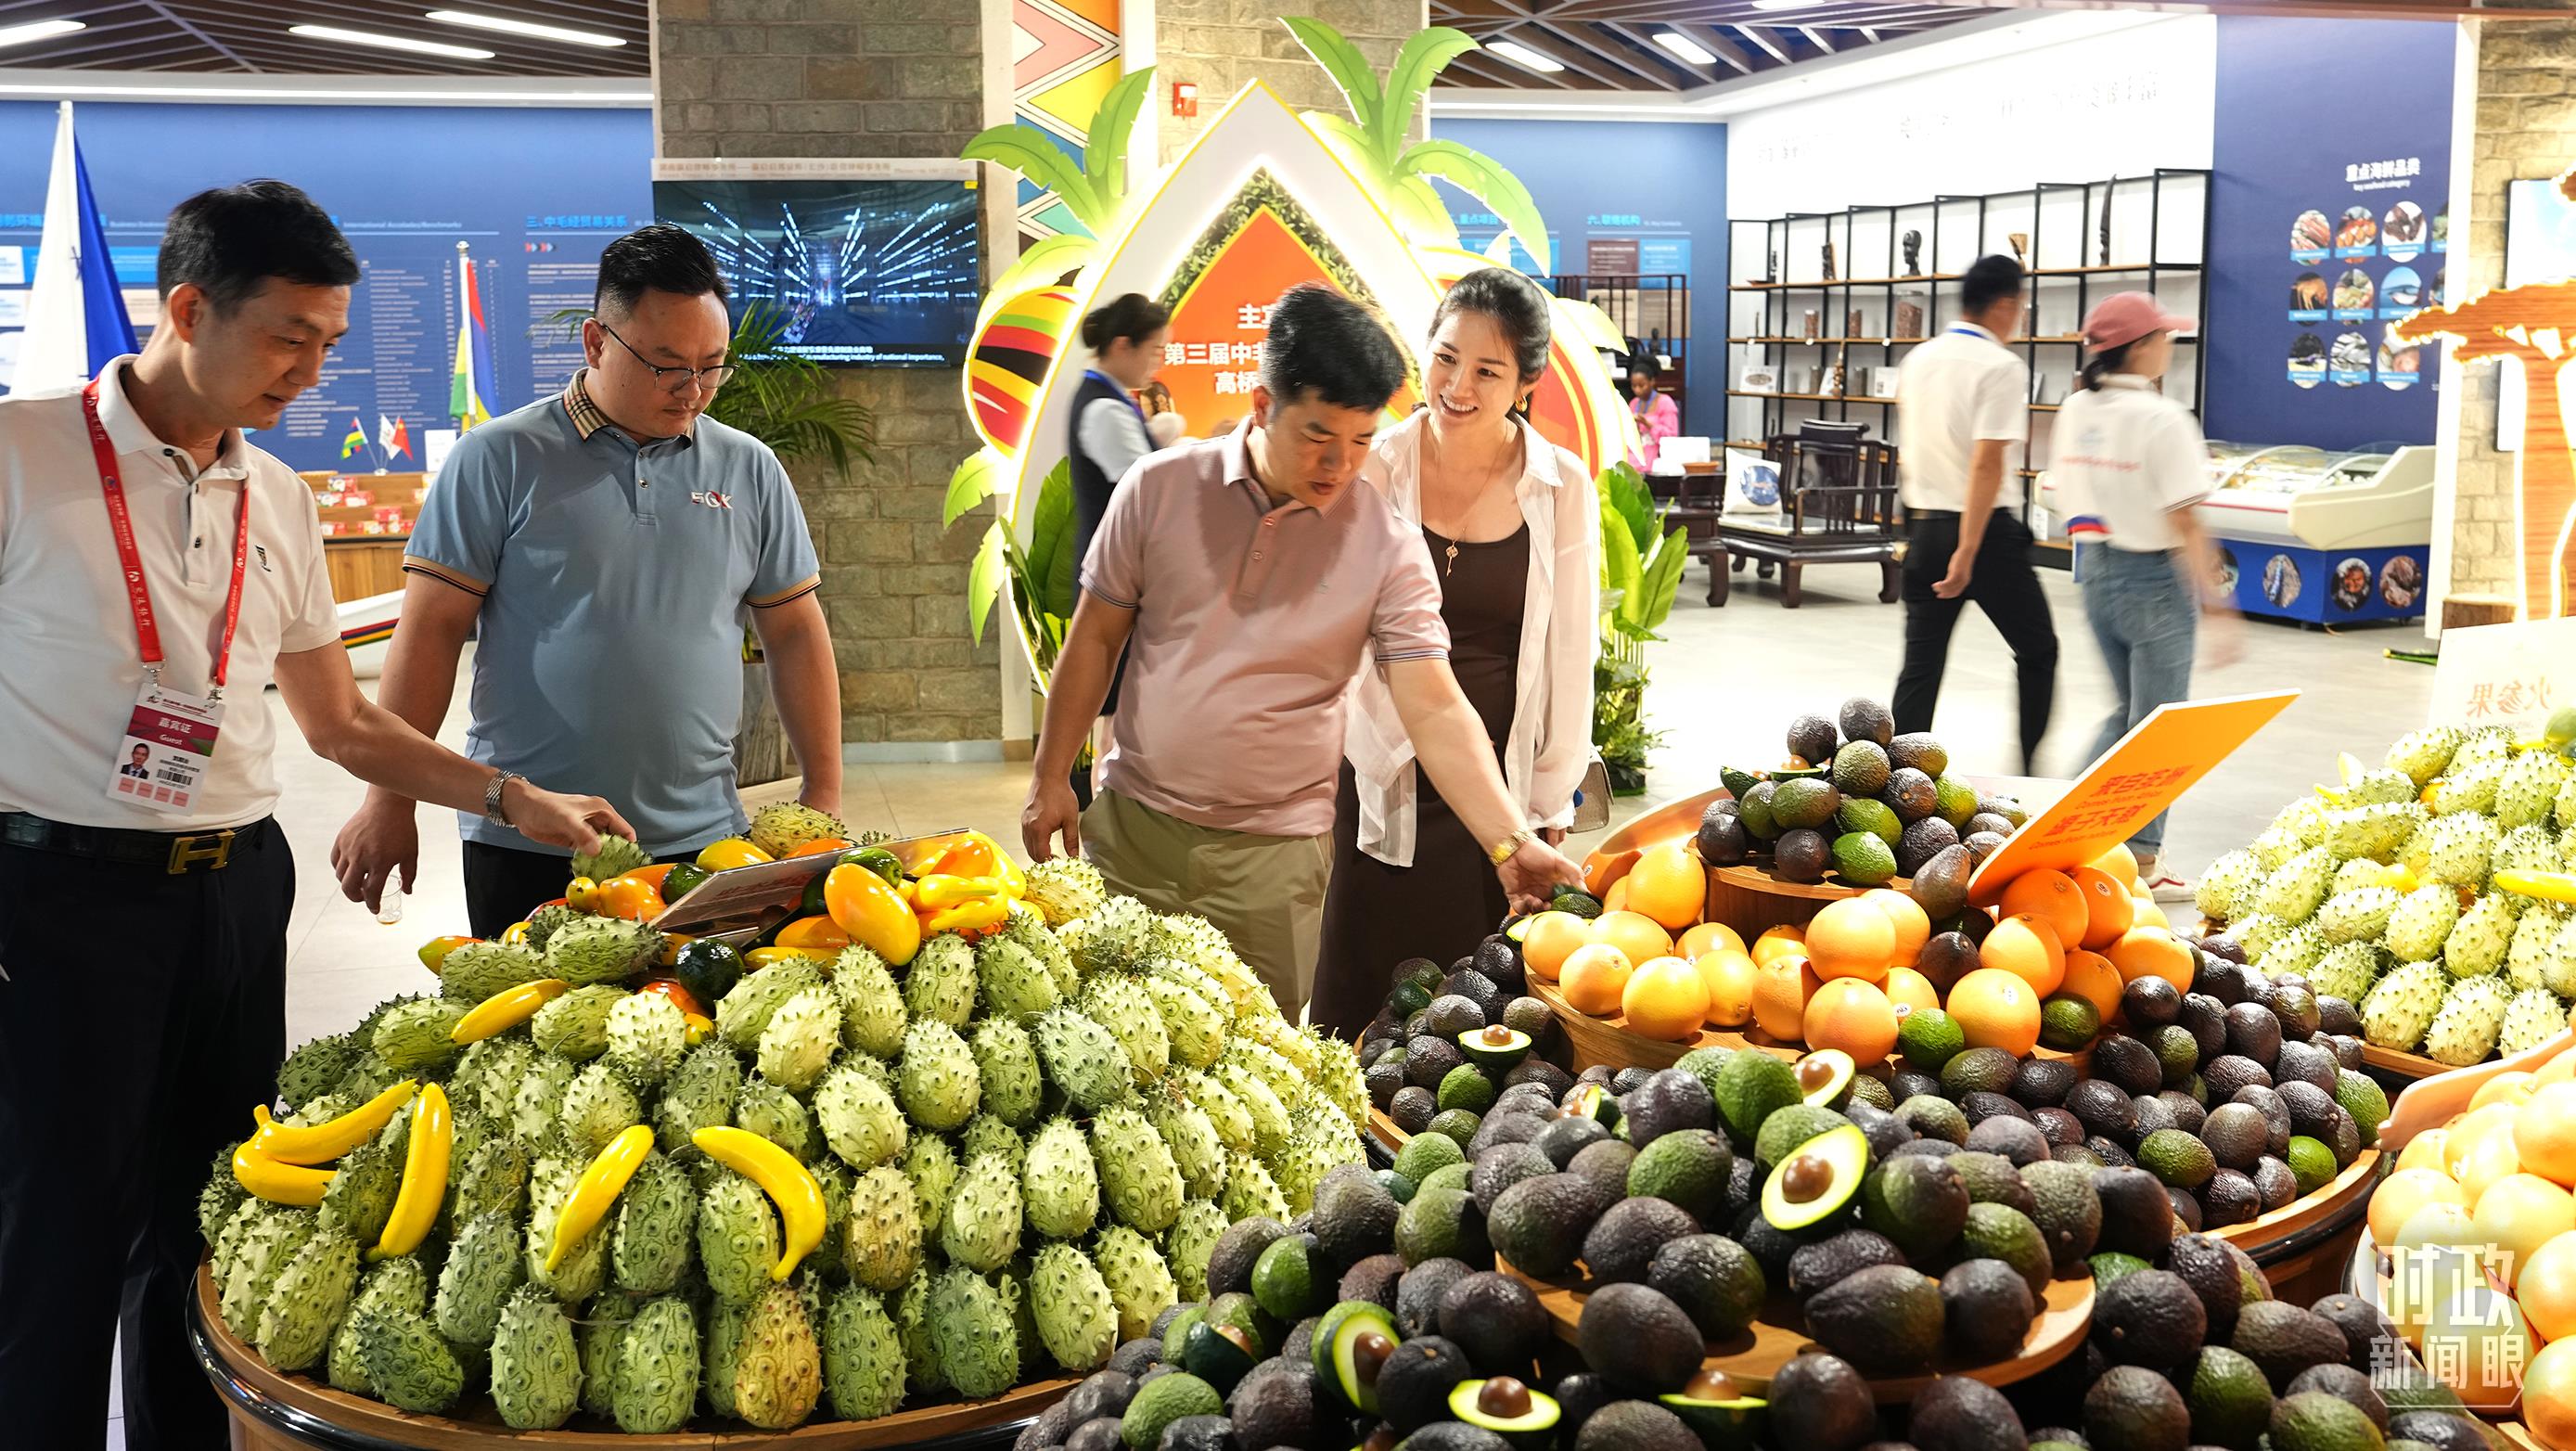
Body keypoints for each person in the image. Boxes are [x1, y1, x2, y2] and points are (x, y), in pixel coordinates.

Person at [0, 179, 628, 1451]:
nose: (313, 366)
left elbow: (341, 726)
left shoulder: (276, 497)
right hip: (55, 897)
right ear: (188, 308)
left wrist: (510, 795)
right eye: (290, 335)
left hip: (235, 891)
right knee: (54, 1220)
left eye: (332, 341)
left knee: (208, 1215)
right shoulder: (20, 459)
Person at [1020, 284, 1586, 1010]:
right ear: (1262, 407)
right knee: (1112, 1058)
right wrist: (1046, 778)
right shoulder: (1157, 488)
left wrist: (1511, 842)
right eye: (1317, 436)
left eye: (1359, 441)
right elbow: (1097, 636)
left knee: (1261, 1078)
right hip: (1132, 832)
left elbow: (1435, 704)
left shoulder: (1385, 543)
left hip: (1275, 857)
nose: (1340, 465)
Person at [331, 223, 841, 938]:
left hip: (704, 842)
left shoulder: (749, 467)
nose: (693, 390)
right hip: (529, 839)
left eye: (712, 366)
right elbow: (431, 634)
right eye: (666, 365)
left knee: (693, 1040)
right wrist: (390, 800)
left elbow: (794, 634)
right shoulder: (497, 458)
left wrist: (822, 792)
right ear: (597, 342)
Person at [1313, 269, 1598, 1036]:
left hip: (1497, 778)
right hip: (1382, 761)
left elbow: (1572, 649)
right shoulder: (1378, 465)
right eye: (1444, 358)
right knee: (1360, 978)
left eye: (1486, 370)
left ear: (1526, 382)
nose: (1456, 385)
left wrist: (1546, 796)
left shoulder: (1559, 484)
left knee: (1475, 1001)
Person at [2055, 292, 2236, 901]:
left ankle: (2056, 830)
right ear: (2138, 348)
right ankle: (2141, 860)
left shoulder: (2076, 406)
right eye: (2163, 336)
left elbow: (2065, 493)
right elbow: (2186, 521)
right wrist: (2219, 610)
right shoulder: (2165, 419)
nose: (2170, 345)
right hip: (2153, 578)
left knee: (2127, 713)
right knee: (2159, 728)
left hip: (2095, 569)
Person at [1890, 253, 2059, 773]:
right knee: (2038, 651)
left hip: (1924, 524)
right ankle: (2030, 774)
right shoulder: (2002, 367)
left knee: (1921, 667)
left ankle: (1894, 786)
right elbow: (1987, 463)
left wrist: (1911, 531)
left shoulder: (1918, 359)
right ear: (2006, 305)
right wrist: (1966, 551)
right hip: (1983, 536)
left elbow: (1907, 451)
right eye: (2022, 306)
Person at [1062, 294, 1168, 808]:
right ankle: (1112, 819)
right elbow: (1144, 490)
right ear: (1122, 345)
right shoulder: (1103, 407)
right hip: (1116, 584)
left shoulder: (1108, 397)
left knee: (1119, 717)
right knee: (1115, 722)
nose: (1159, 362)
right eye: (1154, 350)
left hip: (1122, 581)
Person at [1626, 351, 1680, 470]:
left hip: (1656, 456)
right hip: (1634, 453)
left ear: (1652, 381)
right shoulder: (1634, 403)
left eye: (1641, 385)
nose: (1637, 390)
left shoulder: (1665, 402)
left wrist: (1648, 424)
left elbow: (1671, 436)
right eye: (1634, 386)